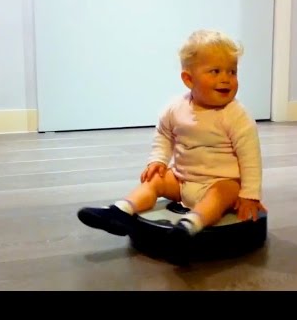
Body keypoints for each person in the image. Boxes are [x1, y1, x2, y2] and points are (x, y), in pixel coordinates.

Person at [77, 29, 266, 265]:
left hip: (219, 184)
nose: (226, 78)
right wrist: (157, 160)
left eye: (232, 71)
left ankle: (190, 226)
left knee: (224, 191)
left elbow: (251, 158)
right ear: (188, 79)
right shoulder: (175, 107)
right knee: (155, 180)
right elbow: (164, 135)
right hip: (182, 180)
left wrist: (250, 195)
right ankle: (120, 212)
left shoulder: (237, 116)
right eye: (215, 71)